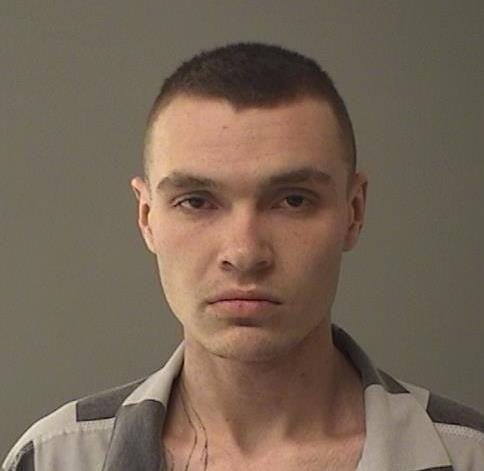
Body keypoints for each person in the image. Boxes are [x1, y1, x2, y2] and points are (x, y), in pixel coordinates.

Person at [3, 42, 483, 471]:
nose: (245, 253)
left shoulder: (470, 457)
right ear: (147, 217)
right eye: (196, 201)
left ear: (353, 212)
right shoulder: (51, 460)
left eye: (292, 200)